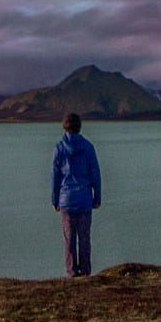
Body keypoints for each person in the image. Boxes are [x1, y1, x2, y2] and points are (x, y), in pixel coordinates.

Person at [50, 111, 101, 277]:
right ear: (79, 127)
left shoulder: (59, 149)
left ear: (64, 127)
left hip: (66, 200)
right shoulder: (88, 147)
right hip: (85, 200)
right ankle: (86, 272)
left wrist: (54, 200)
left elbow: (55, 177)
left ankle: (72, 272)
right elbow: (95, 175)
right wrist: (97, 197)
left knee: (69, 239)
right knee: (84, 238)